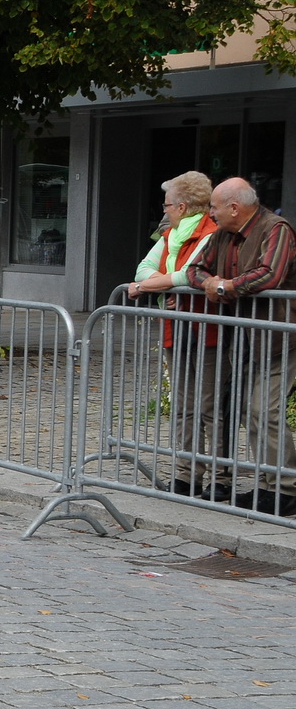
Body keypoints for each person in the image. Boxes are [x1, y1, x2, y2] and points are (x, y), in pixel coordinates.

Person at [187, 177, 296, 517]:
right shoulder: (222, 235)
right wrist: (212, 282)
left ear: (234, 207)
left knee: (267, 410)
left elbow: (270, 275)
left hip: (281, 337)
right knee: (251, 410)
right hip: (248, 337)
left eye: (215, 207)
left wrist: (226, 286)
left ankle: (286, 488)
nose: (211, 213)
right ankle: (266, 486)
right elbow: (193, 269)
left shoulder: (276, 229)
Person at [126, 171, 221, 499]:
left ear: (182, 206)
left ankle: (219, 477)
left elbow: (190, 276)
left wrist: (149, 285)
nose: (163, 211)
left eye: (166, 205)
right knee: (183, 404)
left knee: (211, 405)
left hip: (209, 329)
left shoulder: (212, 233)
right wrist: (162, 281)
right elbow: (143, 268)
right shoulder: (171, 235)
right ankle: (186, 475)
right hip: (176, 327)